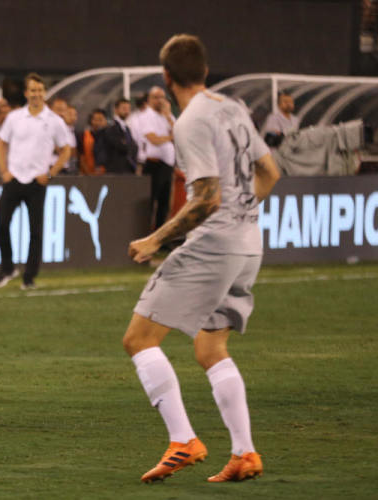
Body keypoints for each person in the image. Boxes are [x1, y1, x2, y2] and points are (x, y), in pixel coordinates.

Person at [122, 34, 280, 483]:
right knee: (210, 347)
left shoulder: (190, 122)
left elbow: (207, 199)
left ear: (167, 77)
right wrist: (242, 216)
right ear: (206, 71)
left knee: (139, 339)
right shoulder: (232, 108)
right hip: (249, 242)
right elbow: (270, 172)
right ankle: (245, 453)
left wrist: (157, 239)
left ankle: (183, 440)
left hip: (215, 244)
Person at [0, 73, 71, 290]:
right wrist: (4, 171)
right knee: (1, 225)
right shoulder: (14, 117)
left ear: (44, 93)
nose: (36, 94)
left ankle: (29, 277)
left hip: (37, 181)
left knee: (35, 232)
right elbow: (1, 143)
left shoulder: (53, 120)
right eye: (33, 90)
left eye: (40, 90)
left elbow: (66, 149)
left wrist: (51, 173)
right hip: (14, 177)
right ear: (27, 93)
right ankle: (7, 268)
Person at [141, 86, 177, 230]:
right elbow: (153, 139)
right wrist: (170, 137)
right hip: (153, 163)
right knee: (150, 202)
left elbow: (179, 133)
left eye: (162, 97)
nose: (160, 101)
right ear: (149, 99)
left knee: (165, 202)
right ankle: (145, 233)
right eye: (156, 97)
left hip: (168, 164)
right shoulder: (146, 116)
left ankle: (160, 237)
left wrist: (168, 116)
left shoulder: (167, 116)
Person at [102, 98, 138, 174]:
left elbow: (133, 147)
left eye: (128, 109)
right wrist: (129, 145)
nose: (127, 111)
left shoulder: (127, 128)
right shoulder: (111, 128)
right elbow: (122, 146)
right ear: (116, 110)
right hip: (116, 170)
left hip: (128, 169)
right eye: (124, 108)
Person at [80, 108, 108, 175]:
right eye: (95, 120)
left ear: (105, 121)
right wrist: (88, 173)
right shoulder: (84, 135)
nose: (98, 123)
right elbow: (81, 156)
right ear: (91, 121)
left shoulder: (111, 136)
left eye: (100, 120)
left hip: (106, 174)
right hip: (87, 174)